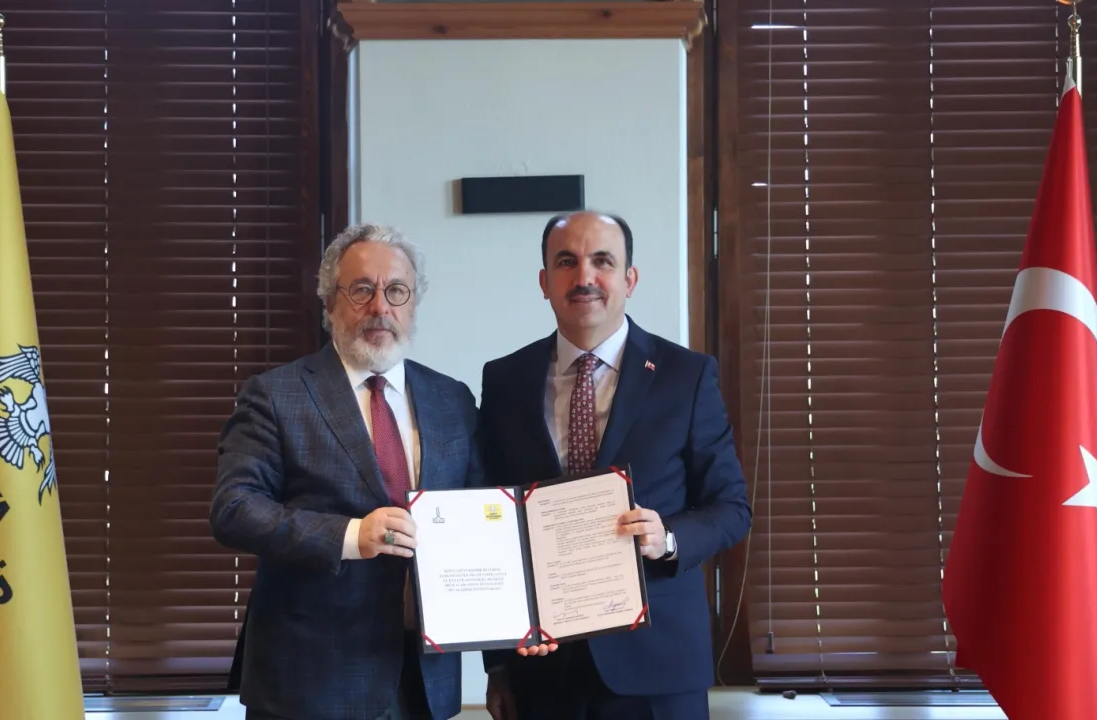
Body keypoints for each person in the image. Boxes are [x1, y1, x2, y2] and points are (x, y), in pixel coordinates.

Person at [477, 211, 752, 719]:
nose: (584, 277)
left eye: (602, 261)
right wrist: (497, 664)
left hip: (658, 663)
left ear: (630, 279)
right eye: (566, 262)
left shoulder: (685, 375)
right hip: (542, 668)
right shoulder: (504, 380)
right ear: (544, 282)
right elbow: (492, 519)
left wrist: (668, 538)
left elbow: (732, 507)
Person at [210, 224, 480, 720]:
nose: (380, 307)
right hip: (308, 684)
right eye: (361, 290)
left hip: (423, 681)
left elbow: (483, 515)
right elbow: (234, 509)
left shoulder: (453, 400)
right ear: (330, 303)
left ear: (413, 304)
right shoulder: (276, 395)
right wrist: (352, 536)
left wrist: (517, 629)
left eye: (396, 291)